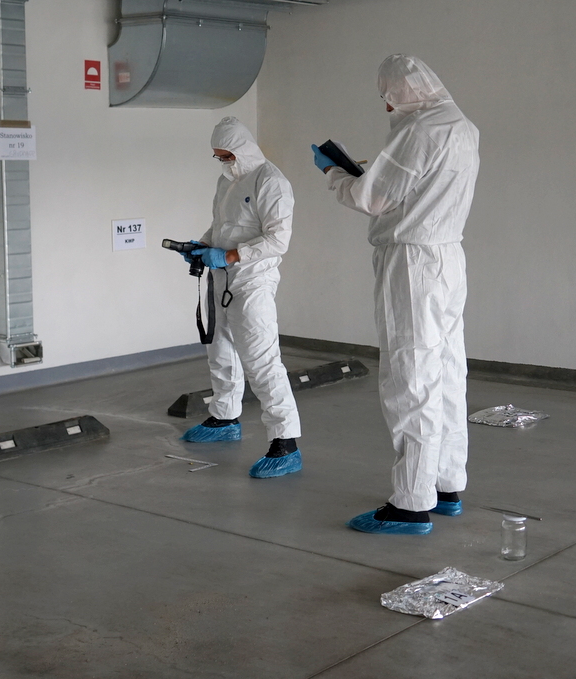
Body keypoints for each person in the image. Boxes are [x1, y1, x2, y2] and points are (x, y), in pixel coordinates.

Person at [312, 55, 479, 534]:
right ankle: (446, 484)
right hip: (448, 257)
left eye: (388, 96)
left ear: (402, 92)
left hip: (411, 262)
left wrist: (334, 172)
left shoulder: (420, 129)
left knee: (410, 376)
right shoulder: (462, 126)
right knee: (447, 372)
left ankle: (411, 503)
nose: (387, 105)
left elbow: (374, 199)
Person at [179, 116, 303, 479]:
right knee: (220, 350)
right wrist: (203, 245)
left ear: (243, 149)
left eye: (227, 156)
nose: (223, 162)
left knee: (263, 361)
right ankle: (224, 417)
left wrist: (231, 255)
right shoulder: (227, 181)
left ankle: (286, 442)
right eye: (218, 157)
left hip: (253, 283)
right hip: (223, 278)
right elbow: (222, 225)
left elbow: (278, 239)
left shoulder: (271, 182)